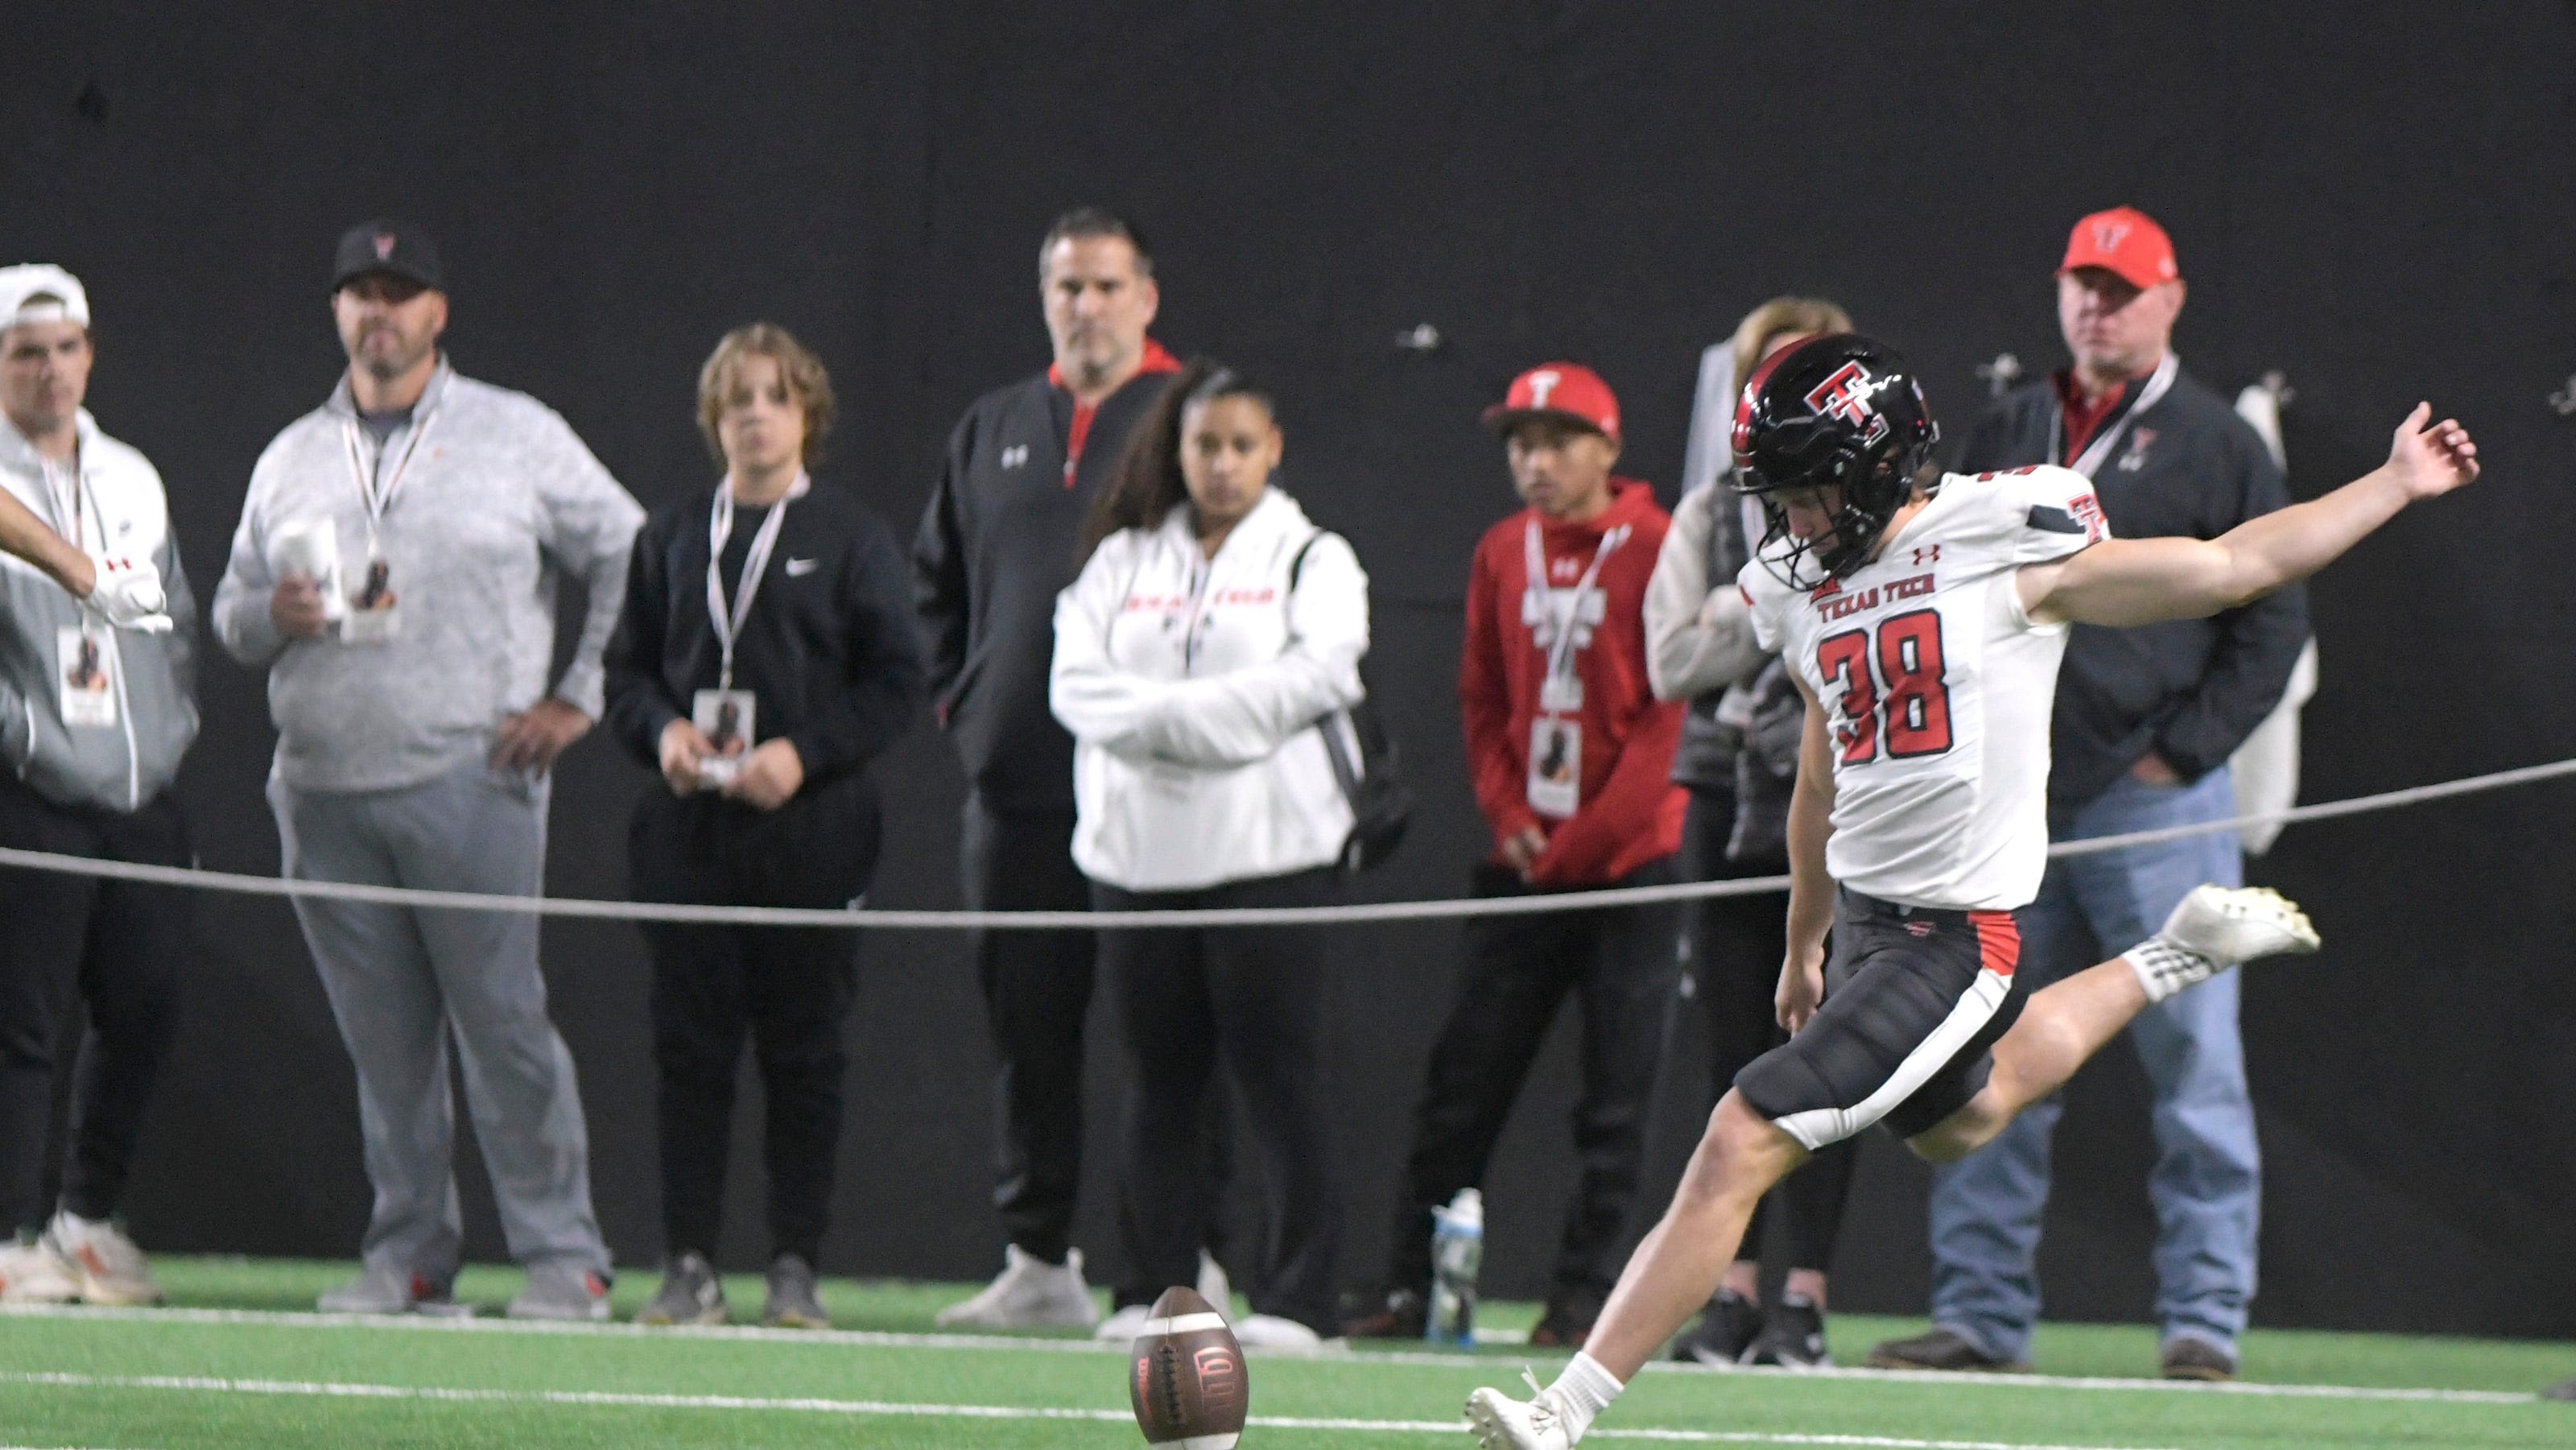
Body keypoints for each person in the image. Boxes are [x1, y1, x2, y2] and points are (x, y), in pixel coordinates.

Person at [1462, 333, 2476, 1448]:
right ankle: (2170, 954)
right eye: (1781, 497)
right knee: (1967, 1119)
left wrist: (2392, 482)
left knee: (1740, 1136)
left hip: (1955, 940)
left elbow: (2230, 566)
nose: (1795, 523)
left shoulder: (2005, 545)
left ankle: (1565, 1411)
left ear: (1882, 463)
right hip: (1864, 924)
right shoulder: (1809, 595)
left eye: (1811, 492)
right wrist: (1806, 939)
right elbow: (1816, 773)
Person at [1868, 209, 2308, 1383]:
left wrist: (2190, 749)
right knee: (1983, 1050)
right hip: (2014, 805)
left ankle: (2205, 1322)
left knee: (2194, 1060)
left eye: (2120, 289)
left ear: (2170, 300)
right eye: (2081, 284)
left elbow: (2273, 620)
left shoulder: (2217, 439)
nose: (2096, 307)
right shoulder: (2011, 422)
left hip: (2158, 803)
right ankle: (1977, 1315)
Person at [211, 221, 642, 1320]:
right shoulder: (291, 454)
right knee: (383, 1047)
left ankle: (564, 1257)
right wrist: (274, 612)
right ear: (338, 313)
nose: (381, 313)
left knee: (502, 1025)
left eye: (402, 294)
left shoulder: (517, 433)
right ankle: (409, 1252)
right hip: (322, 783)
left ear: (439, 313)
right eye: (361, 292)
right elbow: (228, 615)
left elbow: (632, 547)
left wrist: (578, 696)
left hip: (471, 776)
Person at [1349, 363, 1686, 1349]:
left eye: (1557, 441)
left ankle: (1586, 1305)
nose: (1534, 463)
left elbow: (1665, 720)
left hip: (1627, 869)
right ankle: (1411, 1286)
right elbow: (1481, 698)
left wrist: (1580, 842)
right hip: (1525, 864)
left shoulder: (1657, 547)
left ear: (1608, 448)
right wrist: (1508, 814)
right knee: (1462, 1086)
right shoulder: (1502, 549)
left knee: (1617, 1101)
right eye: (1518, 444)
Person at [605, 324, 924, 1329]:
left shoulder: (850, 536)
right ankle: (688, 1263)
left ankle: (795, 1267)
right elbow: (623, 674)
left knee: (805, 1055)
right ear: (714, 419)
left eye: (775, 397)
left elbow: (897, 681)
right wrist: (660, 735)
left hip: (812, 827)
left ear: (806, 418)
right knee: (688, 1057)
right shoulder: (668, 537)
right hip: (689, 830)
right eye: (736, 398)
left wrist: (806, 752)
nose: (754, 414)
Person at [914, 207, 1195, 1329]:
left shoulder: (1195, 414)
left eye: (1105, 286)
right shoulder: (994, 426)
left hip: (1151, 786)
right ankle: (1038, 1261)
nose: (1085, 307)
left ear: (1147, 296)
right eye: (1065, 286)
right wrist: (970, 707)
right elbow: (938, 585)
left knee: (1164, 1031)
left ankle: (1175, 1264)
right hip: (1016, 789)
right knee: (1028, 1028)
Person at [1051, 361, 1366, 1353]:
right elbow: (1073, 685)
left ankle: (1297, 1298)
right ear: (1177, 451)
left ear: (1271, 449)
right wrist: (1195, 724)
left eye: (1240, 446)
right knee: (1155, 1081)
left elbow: (1316, 675)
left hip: (1268, 857)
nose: (1221, 465)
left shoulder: (1313, 555)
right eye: (1204, 446)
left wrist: (1161, 724)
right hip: (1133, 863)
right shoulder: (1119, 562)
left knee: (1279, 1077)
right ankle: (1156, 1287)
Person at [1645, 297, 1861, 1368]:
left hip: (1838, 804)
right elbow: (1671, 662)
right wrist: (1768, 601)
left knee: (1832, 1050)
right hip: (1728, 809)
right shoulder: (1707, 515)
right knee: (1734, 1050)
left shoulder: (1878, 511)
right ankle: (1729, 1290)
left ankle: (1805, 1298)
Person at [0, 264, 199, 1307]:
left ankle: (83, 1218)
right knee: (19, 1024)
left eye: (67, 346)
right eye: (26, 350)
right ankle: (6, 1236)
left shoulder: (131, 473)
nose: (51, 369)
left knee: (148, 1005)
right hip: (28, 784)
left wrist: (170, 733)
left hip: (138, 792)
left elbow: (177, 622)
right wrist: (21, 730)